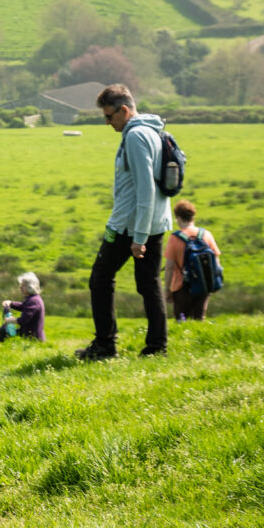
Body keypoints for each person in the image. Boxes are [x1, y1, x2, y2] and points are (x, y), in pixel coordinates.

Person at [76, 84, 170, 362]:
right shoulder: (154, 130)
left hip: (130, 227)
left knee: (100, 280)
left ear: (124, 110)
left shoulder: (136, 136)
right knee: (149, 284)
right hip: (154, 223)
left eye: (109, 116)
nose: (107, 122)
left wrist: (138, 237)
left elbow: (145, 189)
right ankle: (156, 347)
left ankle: (105, 346)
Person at [165, 200, 223, 321]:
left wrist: (167, 290)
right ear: (193, 217)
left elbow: (169, 267)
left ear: (178, 217)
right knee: (199, 319)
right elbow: (216, 262)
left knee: (181, 320)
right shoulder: (206, 234)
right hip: (203, 284)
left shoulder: (174, 238)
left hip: (181, 286)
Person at [1, 271, 45, 341]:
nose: (20, 287)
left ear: (30, 287)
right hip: (30, 336)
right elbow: (23, 306)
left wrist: (11, 320)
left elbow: (24, 320)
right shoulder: (33, 298)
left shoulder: (34, 301)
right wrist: (11, 303)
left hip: (33, 339)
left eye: (23, 285)